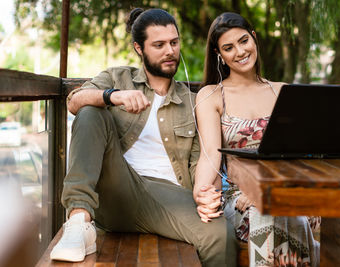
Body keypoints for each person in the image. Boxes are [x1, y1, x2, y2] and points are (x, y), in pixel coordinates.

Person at [50, 8, 237, 267]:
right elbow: (74, 101)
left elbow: (204, 160)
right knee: (91, 111)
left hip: (168, 197)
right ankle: (78, 220)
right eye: (159, 45)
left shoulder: (194, 103)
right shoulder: (117, 77)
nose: (170, 51)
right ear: (139, 48)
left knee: (221, 234)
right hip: (117, 189)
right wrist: (112, 96)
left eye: (174, 42)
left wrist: (208, 193)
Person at [194, 12, 320, 267]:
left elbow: (299, 154)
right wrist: (201, 193)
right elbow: (210, 154)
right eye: (228, 48)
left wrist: (270, 192)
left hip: (287, 189)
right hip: (240, 198)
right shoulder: (212, 95)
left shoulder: (282, 91)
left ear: (254, 38)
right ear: (220, 55)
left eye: (243, 41)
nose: (239, 51)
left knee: (290, 211)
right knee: (268, 213)